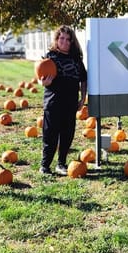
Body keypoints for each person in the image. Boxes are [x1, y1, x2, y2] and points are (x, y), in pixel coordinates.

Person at [39, 25, 87, 175]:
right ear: (57, 39)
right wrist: (43, 83)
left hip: (70, 102)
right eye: (62, 38)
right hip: (53, 103)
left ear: (72, 42)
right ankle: (45, 165)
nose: (65, 42)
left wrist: (83, 97)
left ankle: (61, 164)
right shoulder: (50, 57)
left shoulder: (76, 59)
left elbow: (83, 79)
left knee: (67, 135)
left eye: (68, 39)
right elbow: (40, 76)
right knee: (50, 135)